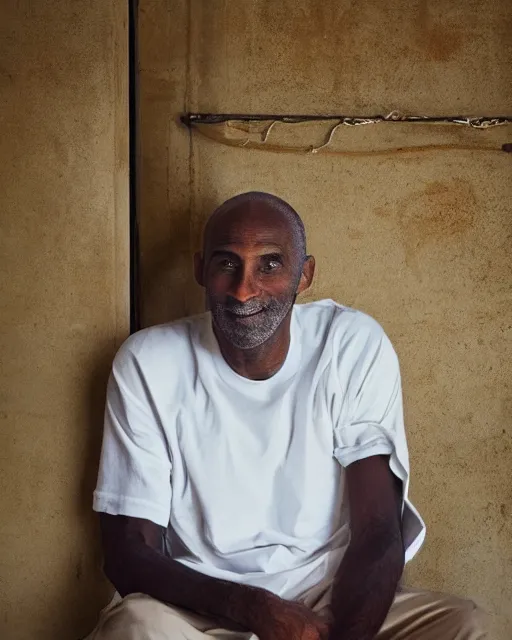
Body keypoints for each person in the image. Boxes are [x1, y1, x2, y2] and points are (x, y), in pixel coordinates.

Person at [88, 192, 485, 639]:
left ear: (305, 274)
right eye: (226, 264)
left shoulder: (350, 344)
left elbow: (379, 531)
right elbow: (127, 554)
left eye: (270, 264)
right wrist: (254, 608)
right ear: (201, 269)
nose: (244, 288)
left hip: (331, 601)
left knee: (463, 623)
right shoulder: (149, 361)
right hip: (201, 610)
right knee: (134, 626)